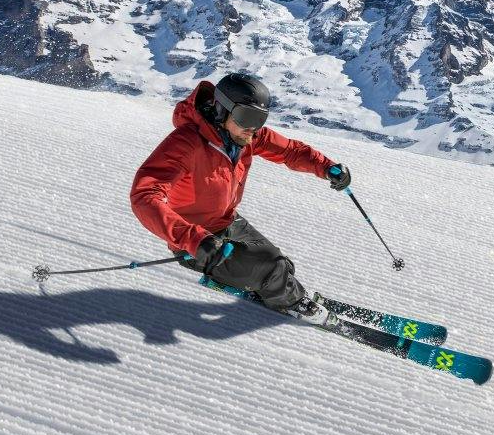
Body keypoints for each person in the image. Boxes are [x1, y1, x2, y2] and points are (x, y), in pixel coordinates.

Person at [130, 70, 351, 315]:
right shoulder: (185, 143)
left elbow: (290, 151)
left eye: (260, 119)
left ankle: (276, 289)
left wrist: (326, 167)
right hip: (198, 243)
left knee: (282, 264)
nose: (253, 129)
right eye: (246, 117)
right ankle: (296, 306)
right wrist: (194, 240)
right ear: (221, 110)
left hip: (228, 221)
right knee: (272, 269)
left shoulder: (245, 135)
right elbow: (145, 196)